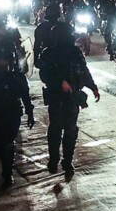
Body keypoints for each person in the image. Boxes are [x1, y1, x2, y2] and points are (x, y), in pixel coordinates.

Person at [37, 21, 100, 178]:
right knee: (56, 129)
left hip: (72, 97)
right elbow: (44, 74)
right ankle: (54, 159)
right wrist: (60, 82)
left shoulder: (75, 52)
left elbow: (83, 70)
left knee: (71, 130)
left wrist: (93, 86)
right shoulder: (48, 53)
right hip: (56, 96)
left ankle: (67, 160)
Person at [0, 52, 34, 188]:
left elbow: (26, 97)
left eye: (6, 61)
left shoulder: (17, 78)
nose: (3, 64)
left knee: (8, 145)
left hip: (12, 114)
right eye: (1, 61)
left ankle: (8, 174)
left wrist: (30, 113)